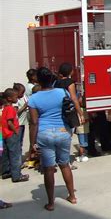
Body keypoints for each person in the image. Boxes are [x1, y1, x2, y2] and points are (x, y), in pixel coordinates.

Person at [29, 67, 77, 211]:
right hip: (63, 132)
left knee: (49, 169)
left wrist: (32, 143)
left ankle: (50, 203)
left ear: (38, 80)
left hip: (45, 134)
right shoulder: (62, 92)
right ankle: (72, 196)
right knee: (65, 165)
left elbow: (34, 122)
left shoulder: (34, 98)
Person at [1, 89, 29, 182]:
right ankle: (17, 175)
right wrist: (16, 131)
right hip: (11, 134)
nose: (17, 98)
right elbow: (9, 122)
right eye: (16, 97)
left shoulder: (5, 108)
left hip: (5, 134)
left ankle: (6, 172)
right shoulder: (10, 109)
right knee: (15, 155)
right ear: (9, 98)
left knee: (6, 154)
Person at [13, 83, 28, 156]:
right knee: (17, 143)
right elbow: (16, 113)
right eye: (21, 92)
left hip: (22, 123)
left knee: (20, 142)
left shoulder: (22, 97)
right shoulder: (15, 101)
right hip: (18, 124)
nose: (23, 94)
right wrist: (25, 106)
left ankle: (18, 159)